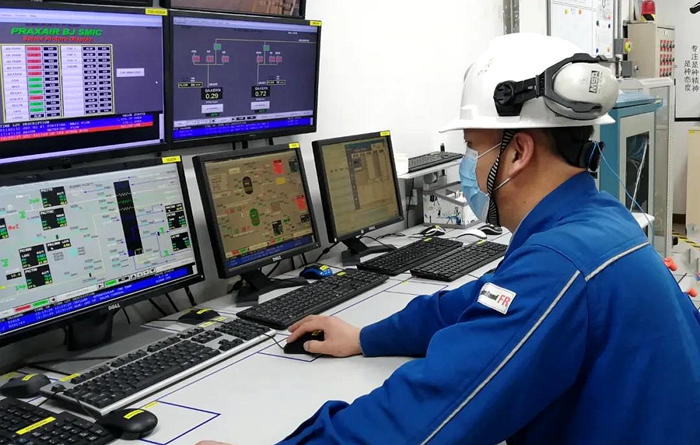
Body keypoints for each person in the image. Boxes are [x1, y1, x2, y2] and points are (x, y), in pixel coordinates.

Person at [198, 33, 700, 444]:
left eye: (473, 148)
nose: (470, 166)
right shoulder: (598, 219)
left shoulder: (559, 261)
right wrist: (365, 337)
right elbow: (475, 303)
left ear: (518, 152)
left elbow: (429, 416)